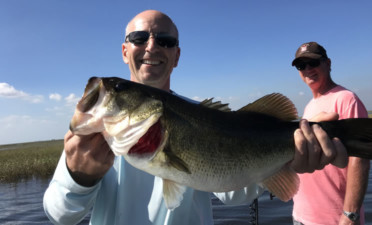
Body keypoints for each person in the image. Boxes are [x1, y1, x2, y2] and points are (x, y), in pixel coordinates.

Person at [43, 11, 348, 225]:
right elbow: (59, 215)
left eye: (165, 40)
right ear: (125, 51)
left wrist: (289, 158)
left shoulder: (201, 113)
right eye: (139, 37)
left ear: (176, 55)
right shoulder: (94, 131)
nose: (152, 46)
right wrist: (79, 177)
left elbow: (230, 192)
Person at [291, 42, 370, 225]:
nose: (308, 69)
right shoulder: (310, 106)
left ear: (328, 63)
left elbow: (360, 159)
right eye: (301, 66)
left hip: (334, 219)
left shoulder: (346, 99)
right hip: (301, 215)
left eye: (313, 63)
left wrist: (350, 214)